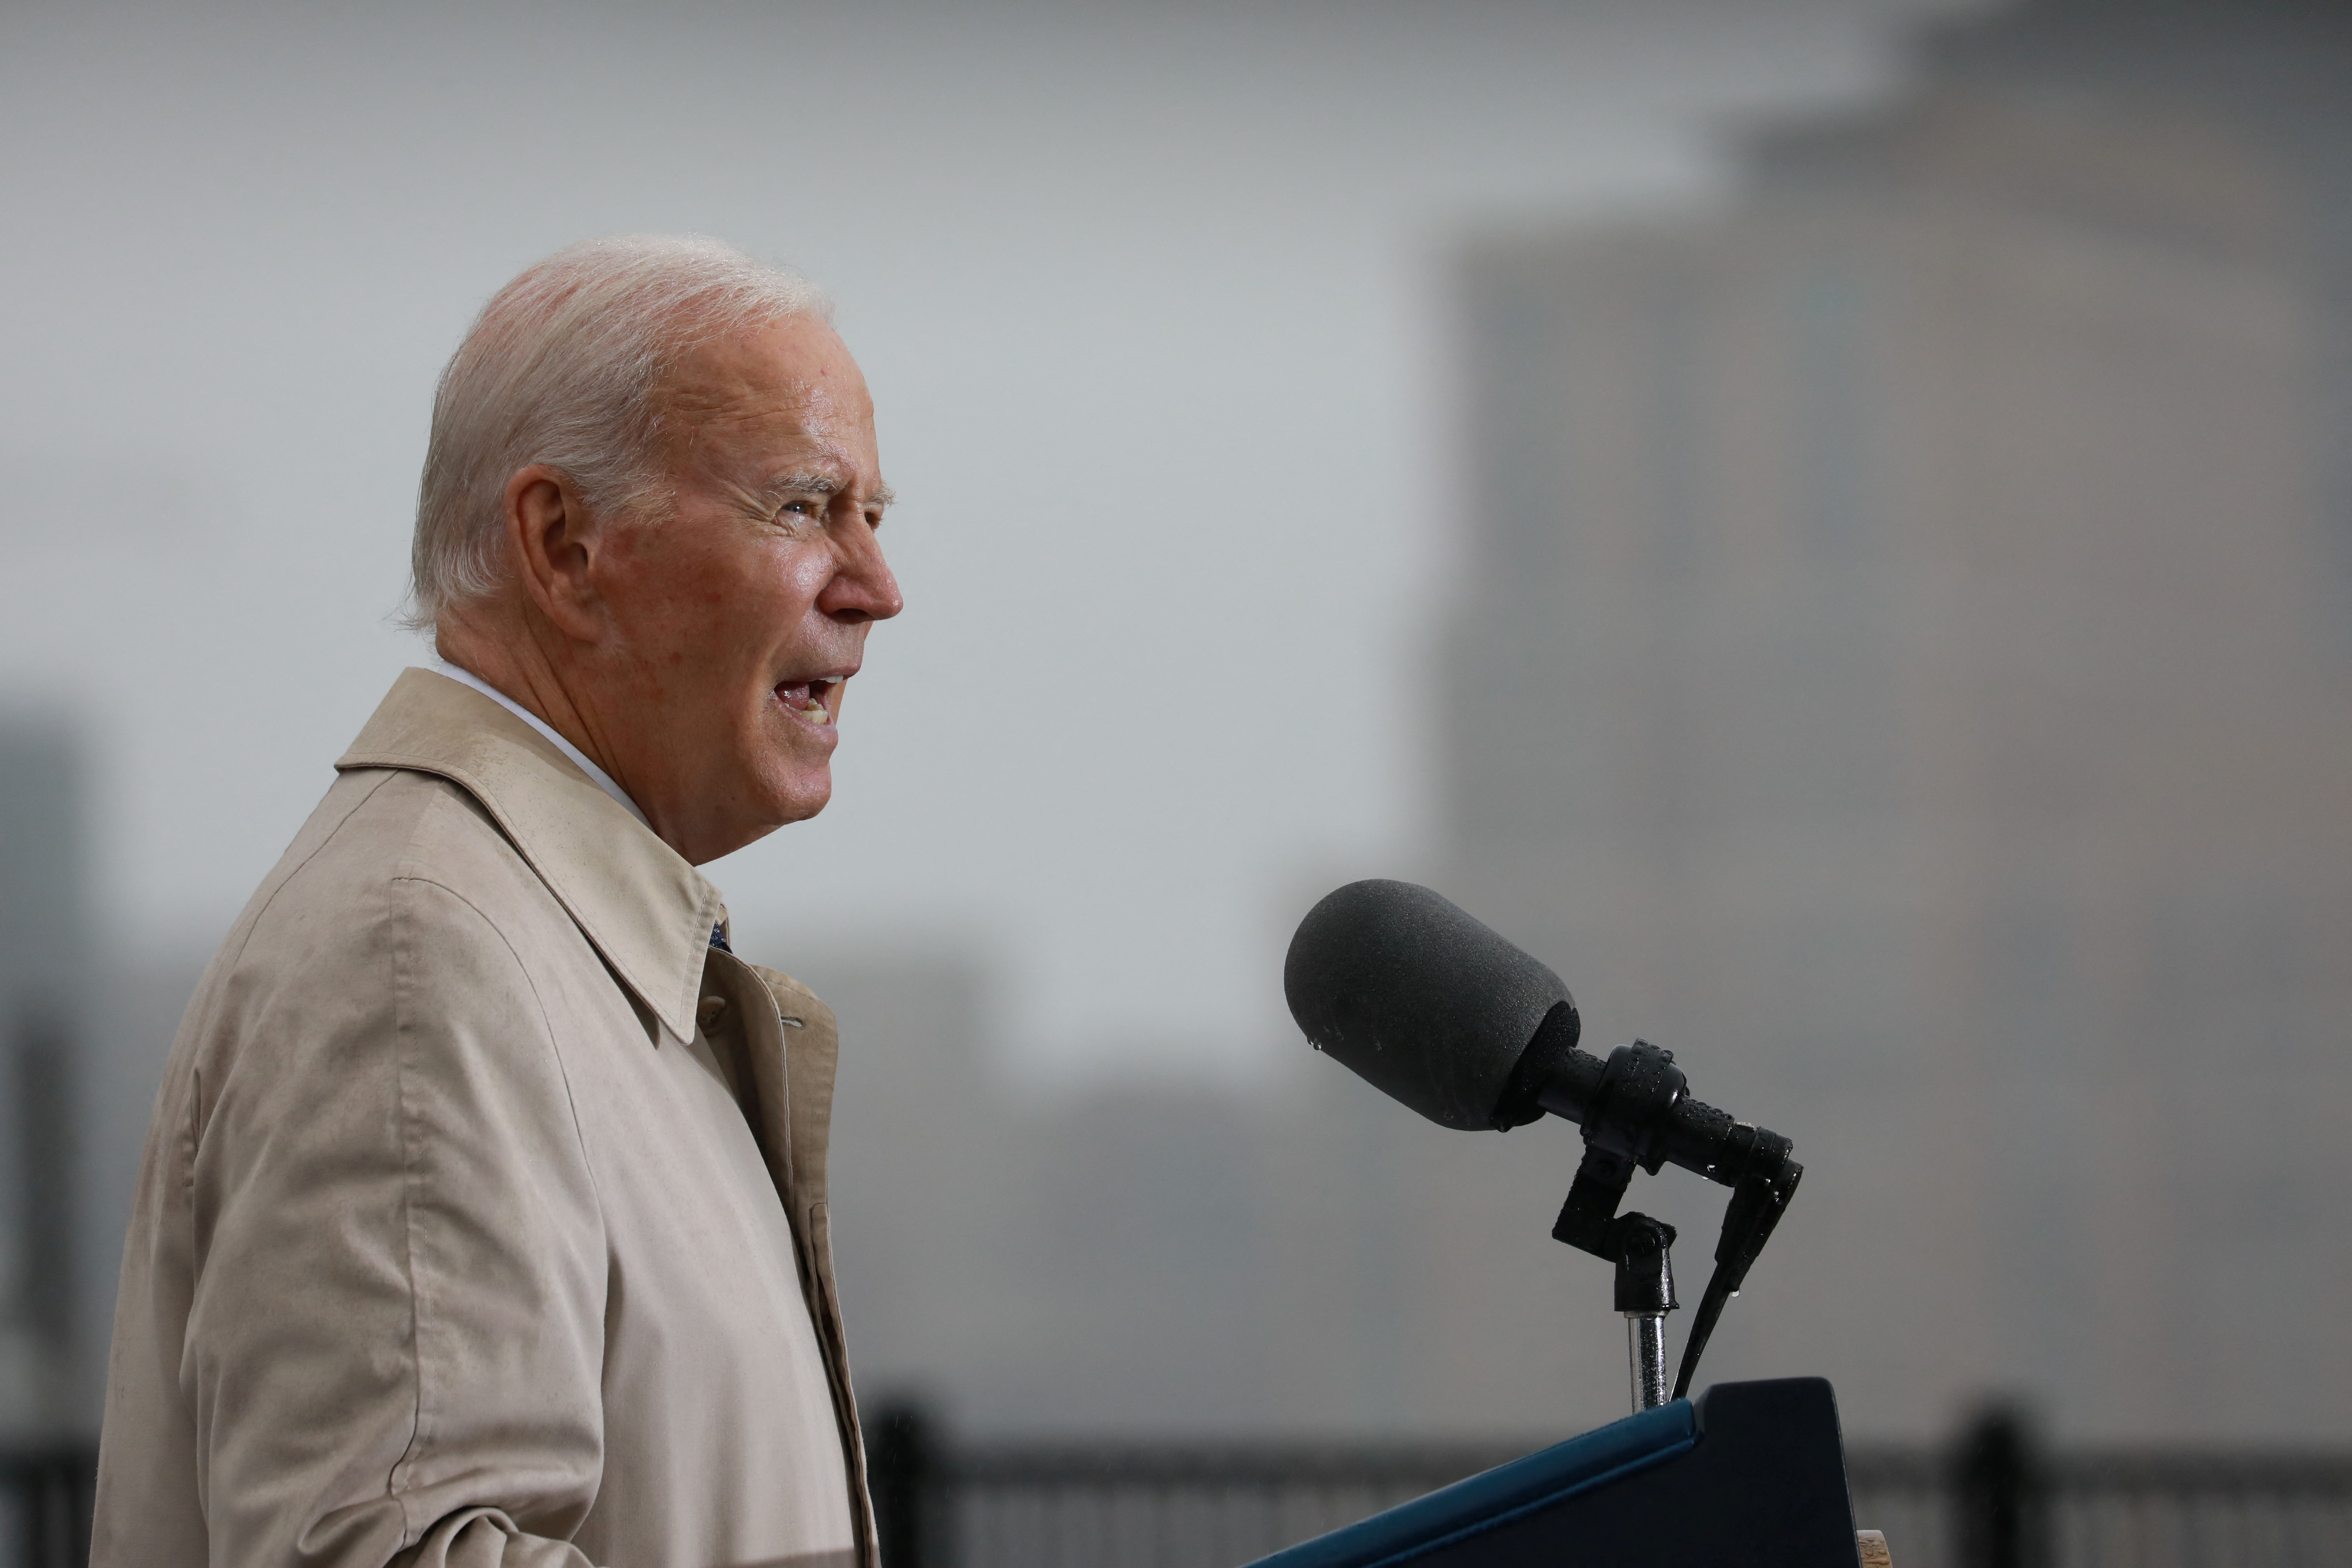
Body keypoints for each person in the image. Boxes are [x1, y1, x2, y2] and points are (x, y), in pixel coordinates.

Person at [92, 234, 904, 1568]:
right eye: (805, 508)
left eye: (876, 515)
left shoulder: (512, 944)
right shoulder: (418, 958)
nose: (876, 588)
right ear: (563, 545)